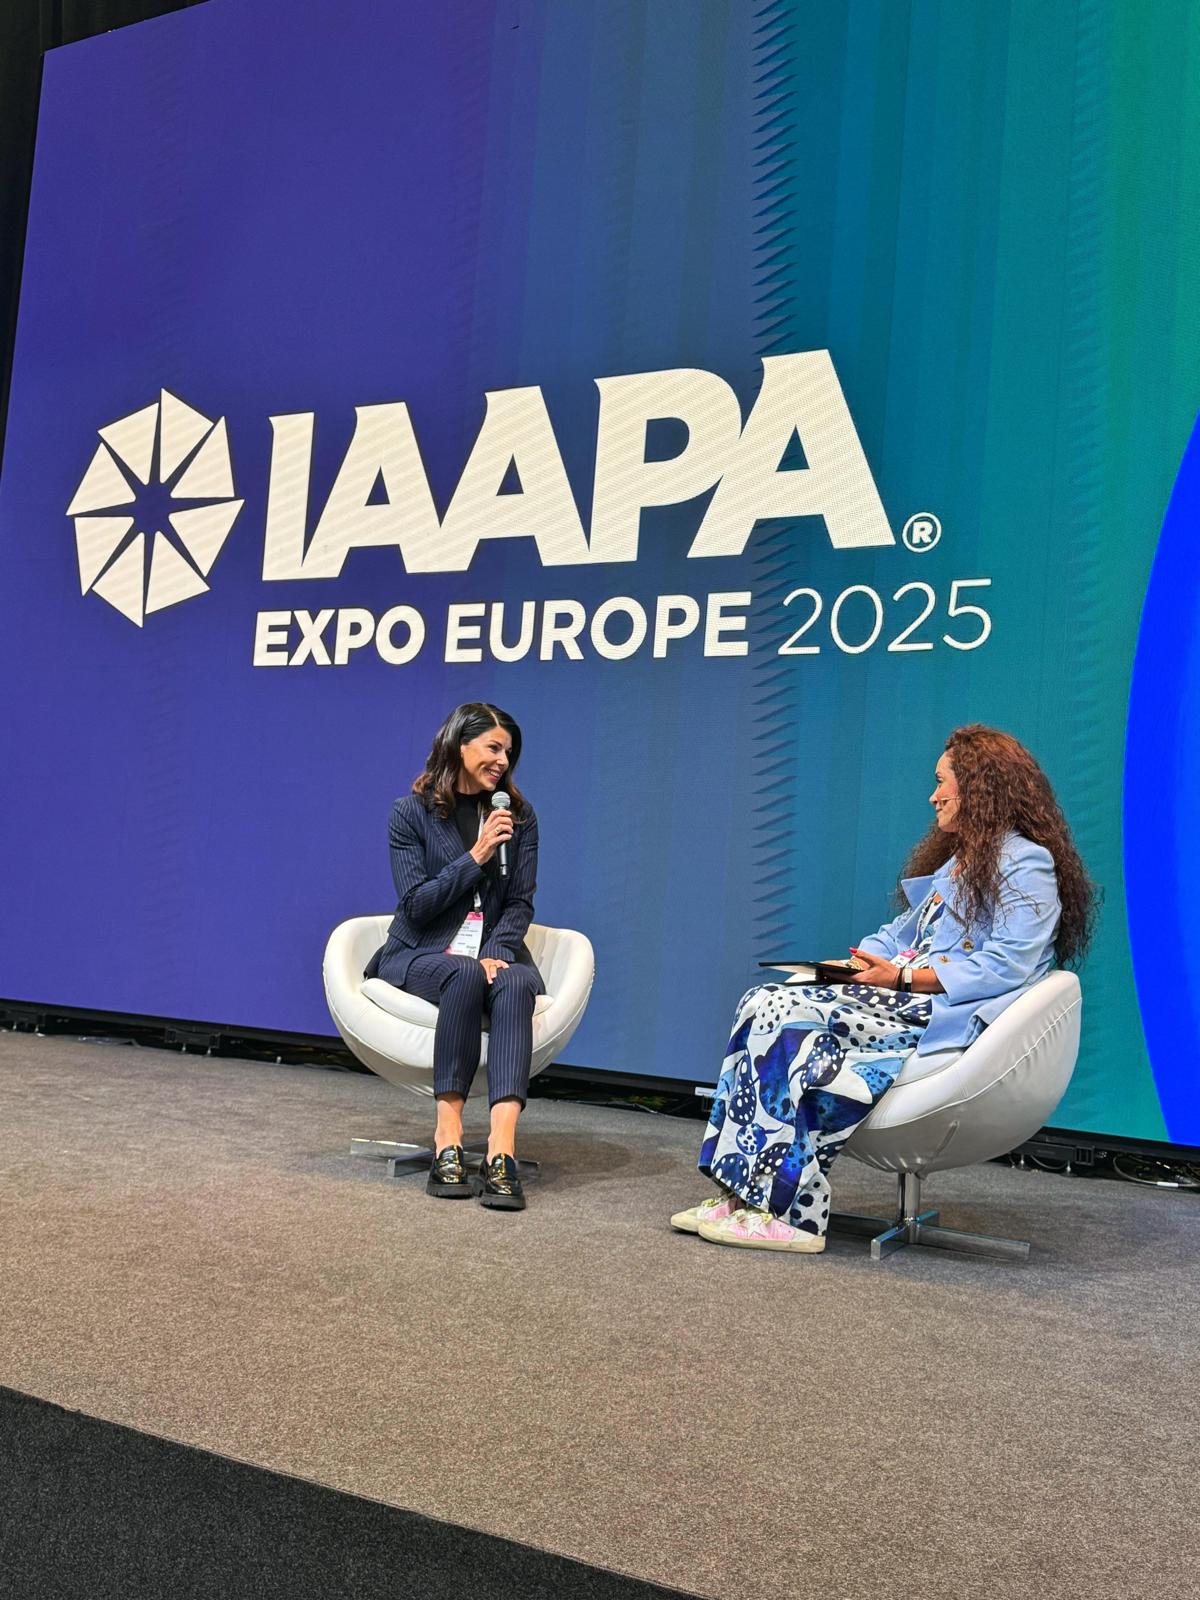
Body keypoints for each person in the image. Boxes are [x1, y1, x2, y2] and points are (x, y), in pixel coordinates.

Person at [671, 724, 1096, 1254]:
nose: (933, 795)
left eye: (942, 782)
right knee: (761, 1001)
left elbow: (1007, 964)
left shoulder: (1026, 862)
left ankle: (793, 1215)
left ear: (980, 787)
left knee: (784, 1012)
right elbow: (899, 936)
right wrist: (848, 965)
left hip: (934, 1011)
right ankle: (745, 1194)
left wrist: (900, 977)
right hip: (895, 1000)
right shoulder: (963, 860)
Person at [366, 703, 542, 1211]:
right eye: (493, 748)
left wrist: (497, 952)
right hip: (420, 952)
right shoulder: (410, 813)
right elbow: (416, 906)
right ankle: (449, 1136)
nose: (502, 761)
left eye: (508, 752)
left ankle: (502, 1151)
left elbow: (519, 902)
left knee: (517, 983)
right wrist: (477, 855)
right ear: (459, 746)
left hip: (491, 952)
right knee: (463, 975)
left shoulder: (519, 816)